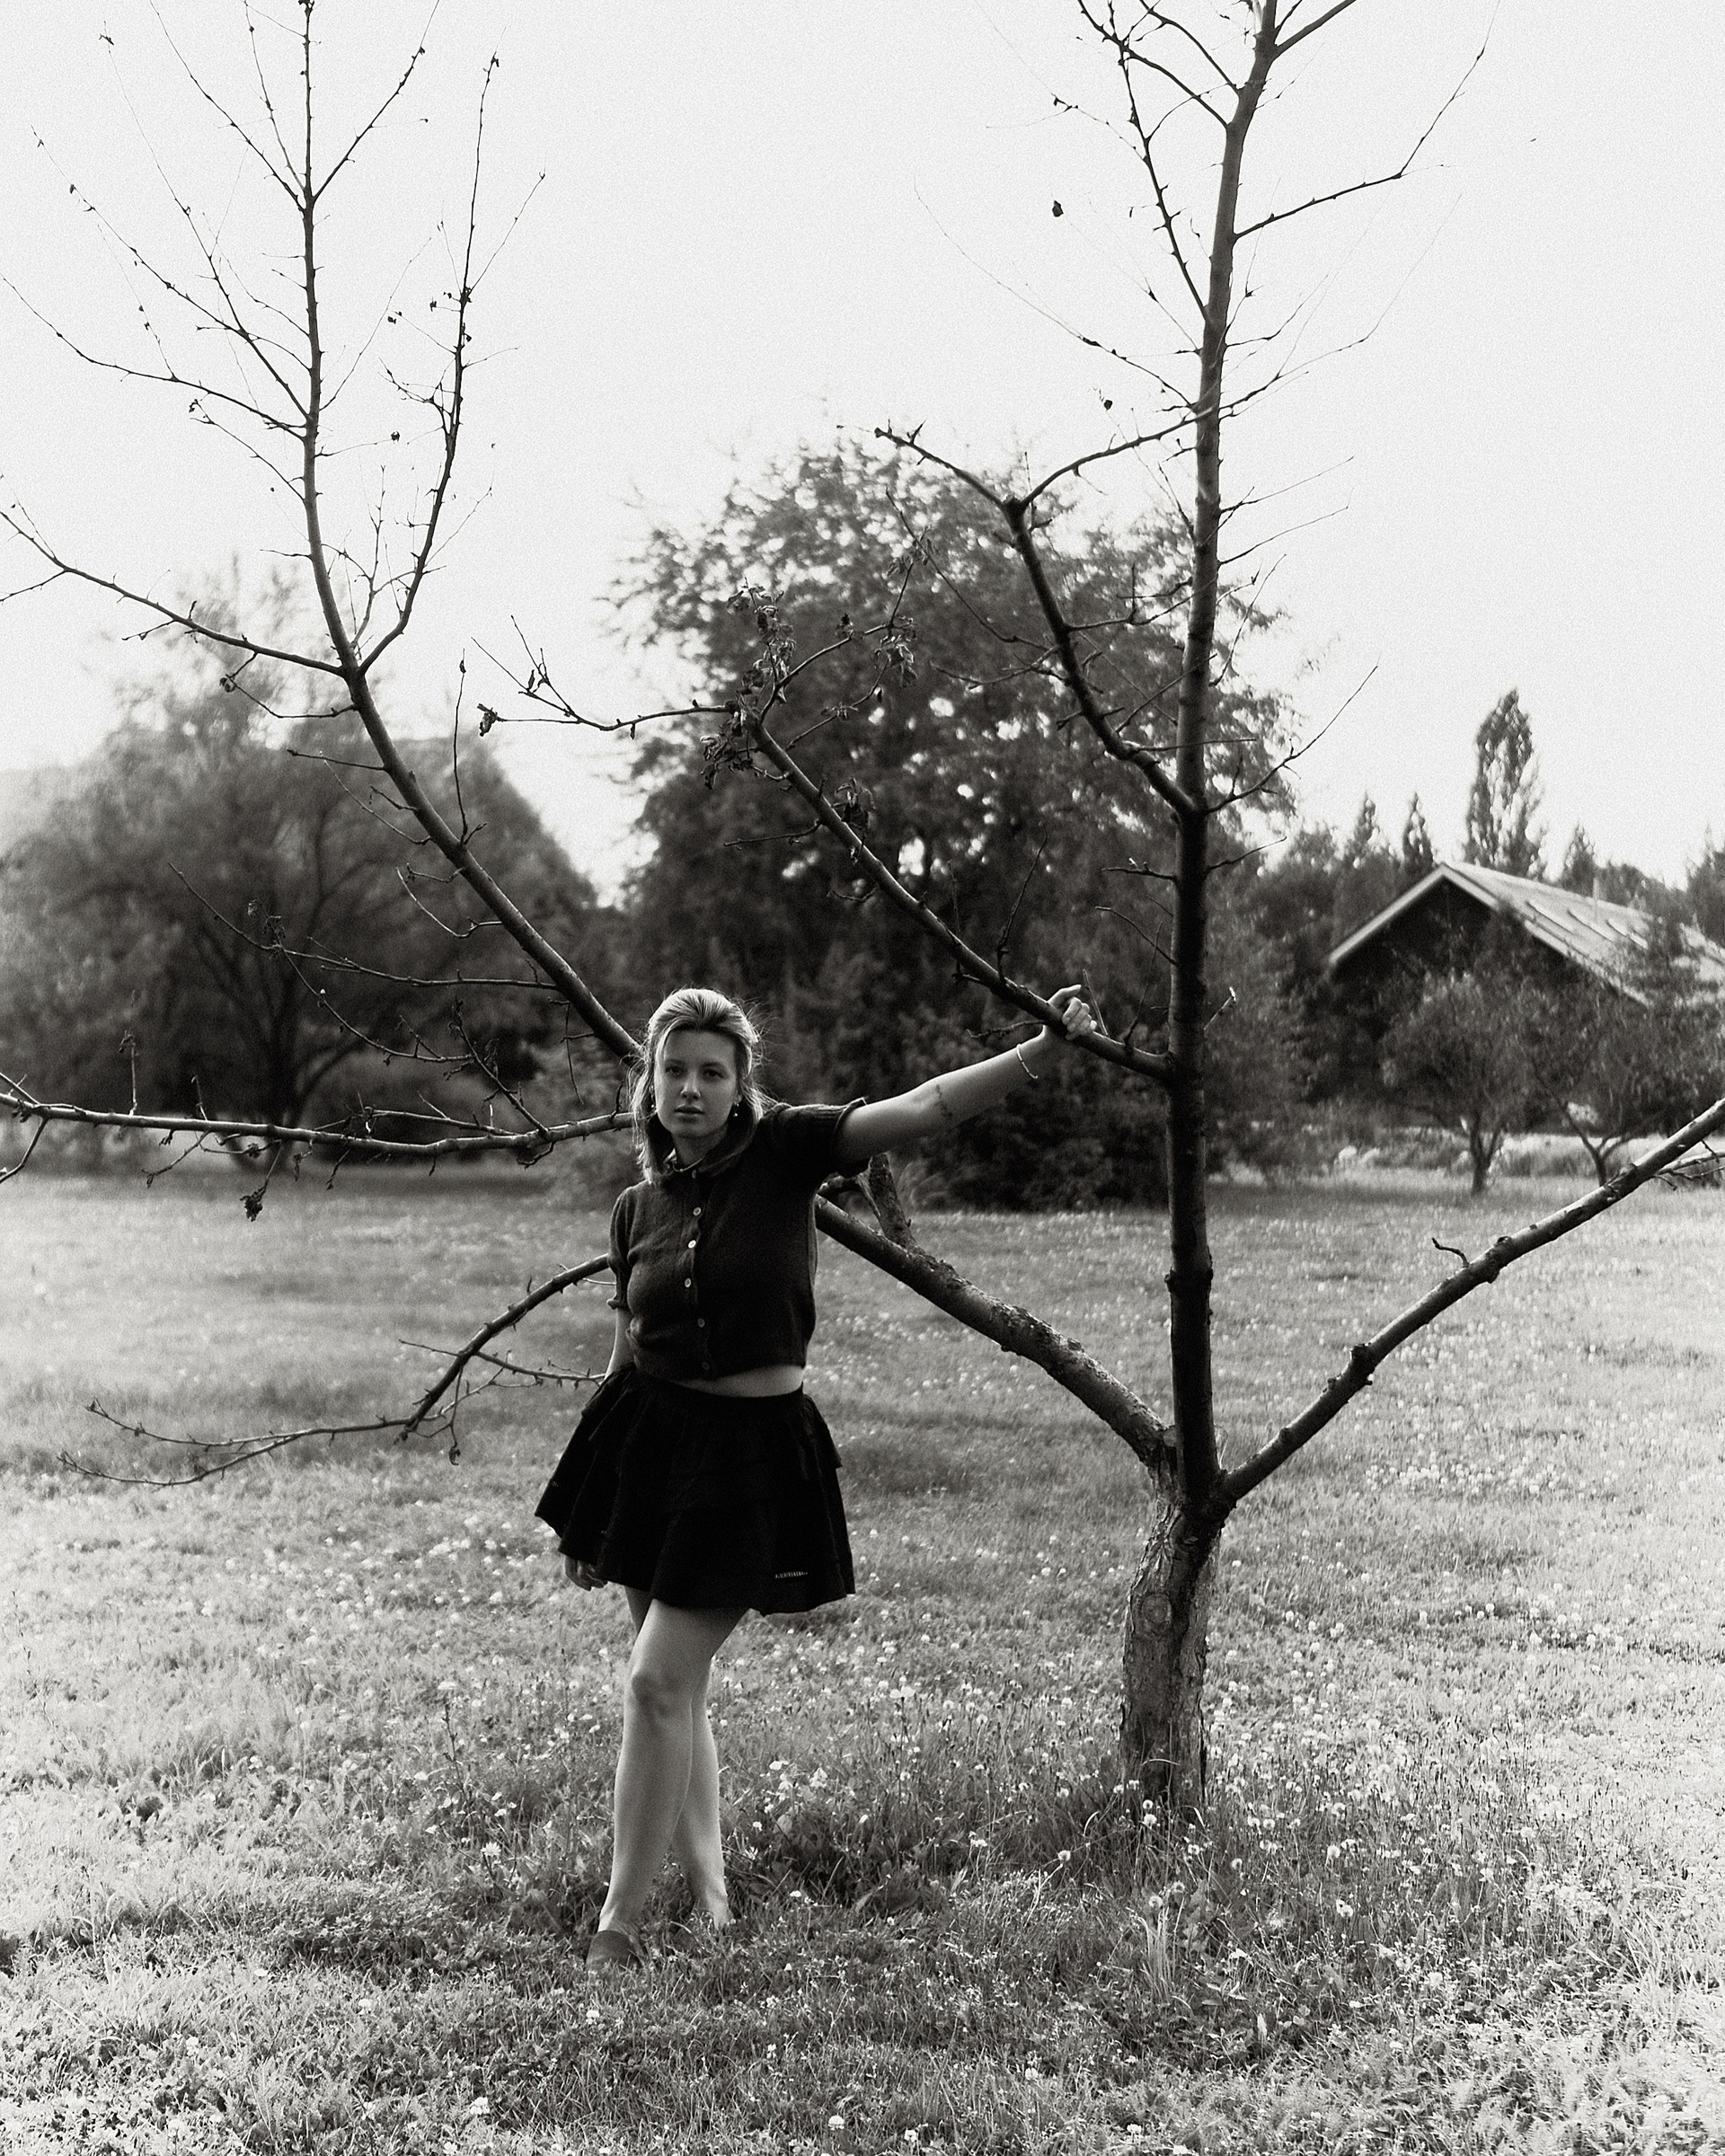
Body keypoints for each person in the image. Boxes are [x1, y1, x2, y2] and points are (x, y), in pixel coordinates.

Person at [535, 980, 1099, 1972]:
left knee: (656, 1679)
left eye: (714, 1073)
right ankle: (712, 1904)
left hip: (749, 1455)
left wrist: (1041, 1054)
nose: (692, 1089)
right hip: (649, 1449)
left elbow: (925, 1107)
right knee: (676, 1691)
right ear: (650, 1084)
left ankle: (618, 1927)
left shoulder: (789, 1149)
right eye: (675, 1071)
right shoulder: (634, 1209)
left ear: (742, 1086)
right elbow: (625, 1359)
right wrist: (592, 1510)